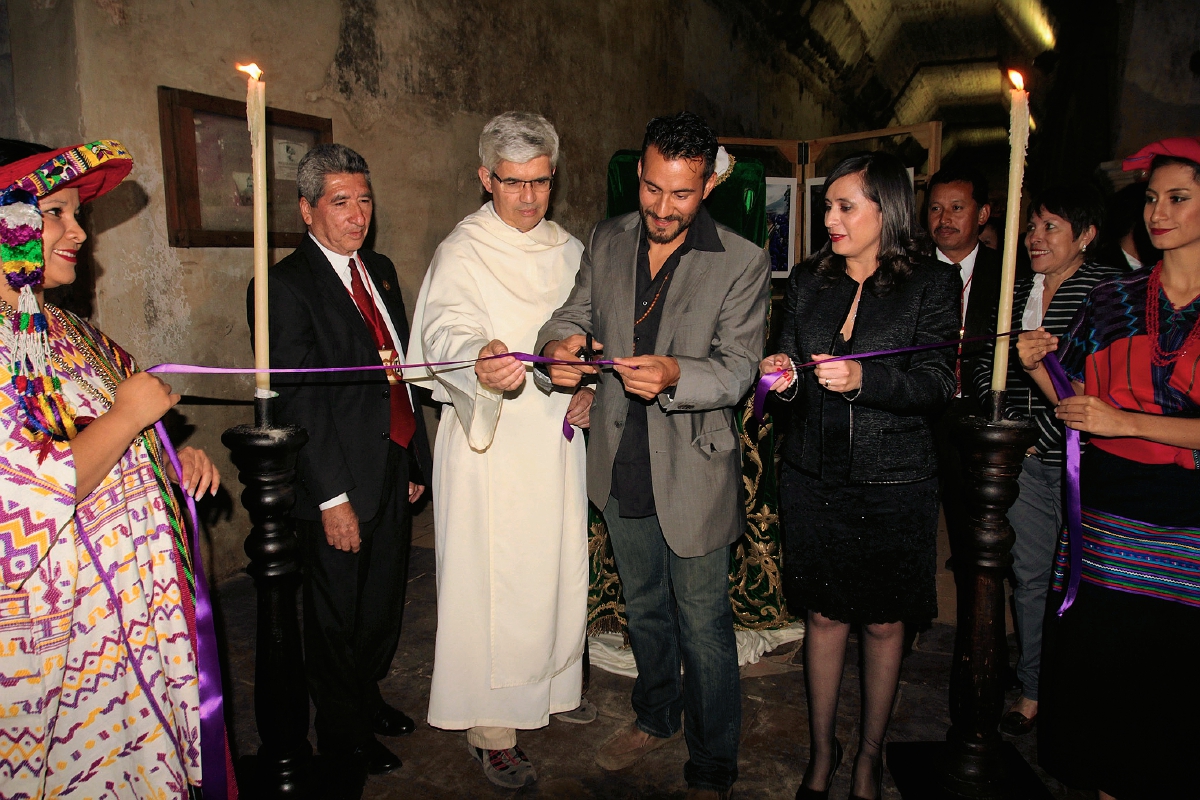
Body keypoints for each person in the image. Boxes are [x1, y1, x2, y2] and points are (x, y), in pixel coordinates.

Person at [536, 112, 768, 800]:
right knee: (644, 609)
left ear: (707, 188)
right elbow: (573, 314)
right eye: (653, 188)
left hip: (693, 465)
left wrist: (674, 376)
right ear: (639, 174)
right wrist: (559, 348)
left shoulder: (741, 261)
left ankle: (713, 760)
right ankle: (656, 713)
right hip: (618, 458)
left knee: (704, 623)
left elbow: (737, 370)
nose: (663, 208)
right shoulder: (608, 237)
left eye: (682, 195)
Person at [0, 139, 225, 797]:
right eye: (54, 213)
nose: (77, 231)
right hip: (59, 648)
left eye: (76, 214)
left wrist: (165, 453)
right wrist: (129, 418)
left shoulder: (63, 330)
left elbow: (102, 437)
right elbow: (20, 510)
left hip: (133, 630)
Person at [761, 152, 958, 800]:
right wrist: (781, 379)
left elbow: (936, 384)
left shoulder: (931, 283)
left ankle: (869, 758)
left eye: (847, 206)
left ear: (887, 210)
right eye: (827, 206)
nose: (831, 218)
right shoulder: (809, 279)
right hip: (814, 476)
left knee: (882, 623)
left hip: (892, 480)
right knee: (823, 618)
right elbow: (787, 372)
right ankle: (823, 755)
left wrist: (865, 379)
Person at [406, 112, 592, 789]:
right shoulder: (465, 248)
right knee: (493, 585)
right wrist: (477, 358)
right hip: (489, 443)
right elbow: (445, 327)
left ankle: (542, 688)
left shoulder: (571, 250)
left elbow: (589, 334)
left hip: (552, 443)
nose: (528, 198)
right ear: (485, 178)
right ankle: (490, 727)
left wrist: (590, 386)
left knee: (552, 573)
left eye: (541, 182)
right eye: (513, 183)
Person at [1018, 136, 1200, 800]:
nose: (1158, 212)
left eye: (1178, 198)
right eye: (1152, 198)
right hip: (1106, 509)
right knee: (1103, 670)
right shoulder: (1113, 300)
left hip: (1186, 518)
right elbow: (1078, 410)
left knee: (1170, 675)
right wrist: (1041, 369)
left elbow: (1115, 418)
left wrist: (1128, 422)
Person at [249, 143, 430, 793]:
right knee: (333, 617)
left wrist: (413, 456)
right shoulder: (283, 287)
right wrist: (330, 498)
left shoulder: (378, 271)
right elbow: (296, 399)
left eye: (365, 201)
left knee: (379, 603)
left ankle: (365, 695)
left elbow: (399, 372)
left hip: (388, 457)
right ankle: (343, 733)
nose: (358, 216)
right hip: (334, 478)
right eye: (340, 203)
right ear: (307, 209)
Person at [971, 185, 1121, 736]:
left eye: (1050, 227)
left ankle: (1080, 690)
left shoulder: (1108, 293)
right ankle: (1034, 690)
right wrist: (1009, 431)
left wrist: (1032, 430)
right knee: (1030, 576)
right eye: (1032, 227)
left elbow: (1105, 388)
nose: (1035, 238)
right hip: (1026, 461)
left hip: (1089, 458)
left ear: (1085, 236)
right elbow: (992, 366)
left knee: (1091, 579)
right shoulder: (1017, 289)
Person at [925, 163, 1001, 562]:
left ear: (982, 214)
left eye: (957, 207)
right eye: (936, 209)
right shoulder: (908, 269)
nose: (945, 219)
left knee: (971, 533)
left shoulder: (1007, 274)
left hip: (974, 416)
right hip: (917, 414)